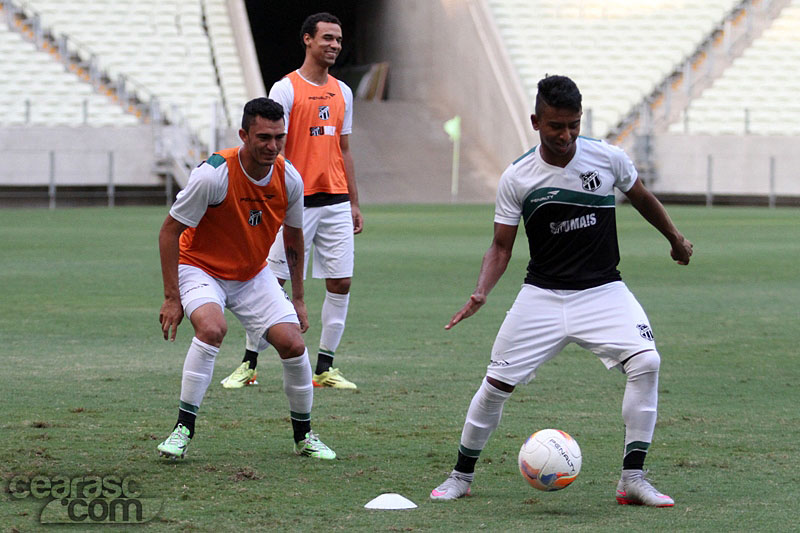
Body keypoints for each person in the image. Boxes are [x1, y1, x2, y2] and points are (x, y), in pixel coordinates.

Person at [430, 75, 693, 506]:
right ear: (536, 121)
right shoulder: (517, 177)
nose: (566, 135)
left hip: (604, 291)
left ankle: (632, 479)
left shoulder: (607, 158)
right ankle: (461, 476)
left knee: (647, 361)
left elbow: (641, 197)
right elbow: (500, 246)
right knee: (495, 384)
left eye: (573, 124)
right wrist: (481, 292)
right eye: (556, 126)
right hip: (543, 296)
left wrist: (675, 238)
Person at [156, 97, 335, 460]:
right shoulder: (213, 174)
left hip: (253, 274)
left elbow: (294, 237)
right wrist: (172, 298)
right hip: (200, 267)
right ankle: (182, 430)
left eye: (279, 137)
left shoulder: (289, 178)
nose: (272, 146)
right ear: (244, 134)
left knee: (293, 345)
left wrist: (298, 297)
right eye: (263, 137)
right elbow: (168, 232)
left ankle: (304, 437)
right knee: (211, 328)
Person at [221, 12, 363, 390]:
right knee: (271, 281)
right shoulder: (285, 89)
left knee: (342, 282)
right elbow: (268, 144)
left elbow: (343, 148)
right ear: (307, 40)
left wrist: (353, 201)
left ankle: (325, 368)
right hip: (293, 202)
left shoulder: (343, 91)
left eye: (338, 39)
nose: (334, 45)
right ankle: (249, 363)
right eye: (327, 38)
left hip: (335, 199)